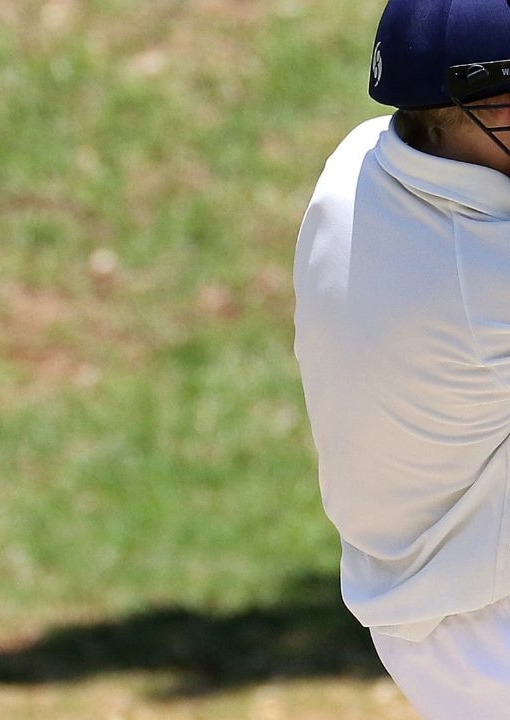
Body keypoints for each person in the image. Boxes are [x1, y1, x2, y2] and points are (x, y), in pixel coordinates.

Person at [295, 0, 510, 716]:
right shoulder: (484, 274)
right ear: (446, 116)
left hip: (426, 605)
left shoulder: (358, 162)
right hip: (490, 627)